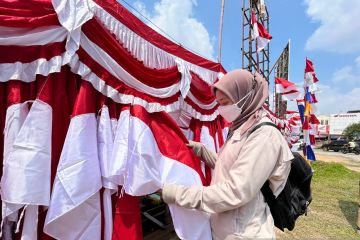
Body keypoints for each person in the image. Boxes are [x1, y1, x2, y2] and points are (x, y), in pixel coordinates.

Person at [161, 69, 293, 239]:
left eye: (226, 102)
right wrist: (201, 151)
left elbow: (235, 191)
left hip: (243, 233)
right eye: (219, 103)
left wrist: (177, 194)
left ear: (244, 97)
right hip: (226, 228)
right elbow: (229, 166)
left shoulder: (264, 136)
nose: (222, 109)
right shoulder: (242, 127)